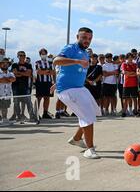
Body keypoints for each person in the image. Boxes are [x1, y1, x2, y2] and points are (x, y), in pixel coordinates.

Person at [53, 27, 101, 159]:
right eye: (84, 38)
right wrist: (77, 61)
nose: (87, 41)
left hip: (79, 88)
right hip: (69, 90)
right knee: (87, 117)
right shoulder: (70, 48)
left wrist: (56, 82)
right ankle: (90, 150)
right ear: (77, 37)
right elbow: (56, 61)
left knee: (92, 112)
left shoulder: (85, 52)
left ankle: (76, 138)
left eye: (90, 38)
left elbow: (74, 72)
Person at [11, 51, 35, 122]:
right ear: (17, 56)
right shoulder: (14, 64)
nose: (22, 56)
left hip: (25, 86)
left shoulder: (28, 65)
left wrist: (19, 73)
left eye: (23, 55)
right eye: (20, 55)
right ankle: (18, 117)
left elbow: (28, 74)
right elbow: (14, 73)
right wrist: (23, 73)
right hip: (16, 86)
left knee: (28, 101)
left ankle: (32, 116)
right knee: (16, 102)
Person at [35, 48, 55, 119]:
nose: (44, 55)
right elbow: (38, 72)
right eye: (42, 54)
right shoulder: (37, 62)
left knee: (47, 97)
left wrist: (45, 71)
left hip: (48, 82)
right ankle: (36, 114)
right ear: (40, 55)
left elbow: (53, 72)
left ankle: (45, 113)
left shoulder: (50, 63)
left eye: (45, 54)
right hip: (40, 82)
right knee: (39, 98)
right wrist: (48, 71)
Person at [0, 58, 15, 125]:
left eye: (6, 63)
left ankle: (4, 119)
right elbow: (1, 80)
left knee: (5, 107)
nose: (5, 64)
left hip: (7, 94)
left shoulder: (11, 73)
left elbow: (13, 79)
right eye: (3, 63)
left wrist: (5, 79)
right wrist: (8, 79)